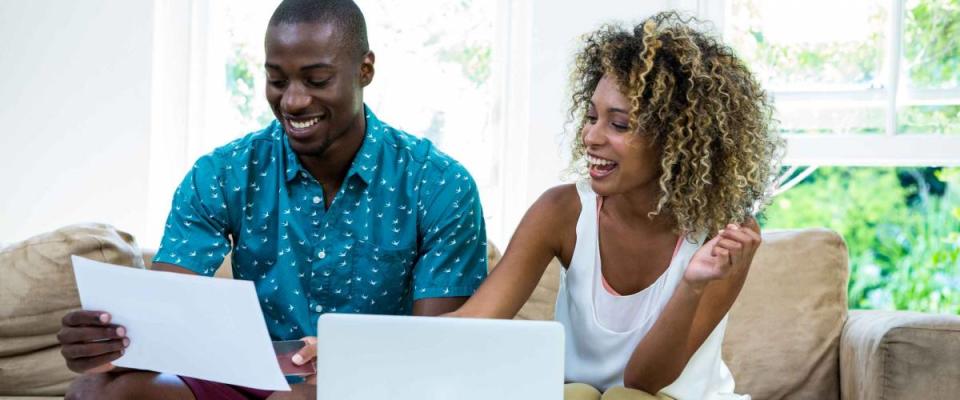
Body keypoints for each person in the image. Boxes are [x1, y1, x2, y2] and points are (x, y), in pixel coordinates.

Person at [57, 1, 487, 399]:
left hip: (373, 383)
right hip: (249, 381)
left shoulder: (439, 183)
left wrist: (330, 376)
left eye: (317, 80)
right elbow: (169, 327)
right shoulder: (224, 172)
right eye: (277, 81)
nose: (293, 101)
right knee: (94, 391)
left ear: (365, 70)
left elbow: (436, 354)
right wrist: (108, 346)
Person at [450, 11, 783, 400]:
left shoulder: (725, 233)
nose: (591, 136)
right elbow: (472, 325)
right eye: (591, 117)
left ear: (675, 138)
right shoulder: (562, 212)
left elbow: (644, 380)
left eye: (619, 124)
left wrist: (692, 286)